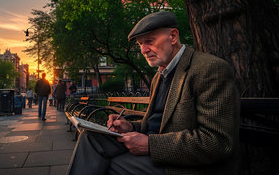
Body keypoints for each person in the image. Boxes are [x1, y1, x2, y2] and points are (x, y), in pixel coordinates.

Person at [66, 11, 240, 175]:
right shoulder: (159, 75)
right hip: (155, 148)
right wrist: (130, 127)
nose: (143, 50)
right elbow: (157, 124)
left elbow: (217, 142)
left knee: (110, 165)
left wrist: (150, 145)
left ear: (173, 36)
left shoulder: (208, 69)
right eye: (141, 44)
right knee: (90, 138)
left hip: (183, 165)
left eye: (149, 41)